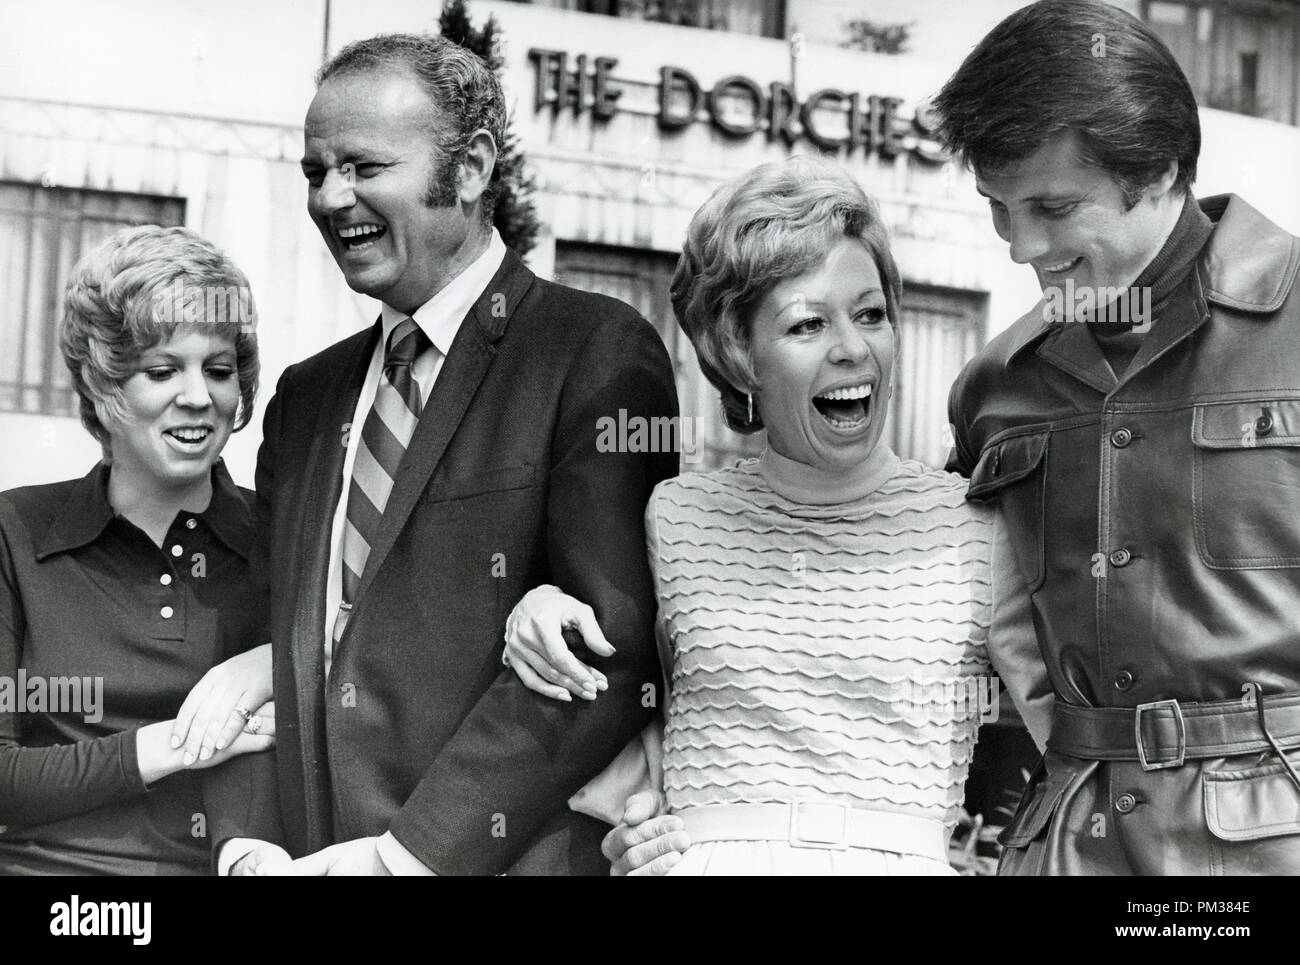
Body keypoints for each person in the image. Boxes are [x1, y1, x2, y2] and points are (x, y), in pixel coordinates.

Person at [503, 156, 1053, 875]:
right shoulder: (677, 515)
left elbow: (1075, 748)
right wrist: (534, 606)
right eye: (807, 325)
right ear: (738, 351)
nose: (853, 349)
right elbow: (628, 714)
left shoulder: (976, 527)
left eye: (871, 315)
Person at [244, 33, 678, 876]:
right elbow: (279, 643)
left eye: (365, 167)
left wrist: (404, 858)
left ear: (473, 168)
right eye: (313, 171)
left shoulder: (592, 353)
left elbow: (606, 654)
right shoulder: (305, 398)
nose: (333, 198)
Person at [930, 0, 1300, 874]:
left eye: (1053, 207)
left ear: (1161, 167)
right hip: (1065, 845)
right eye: (998, 207)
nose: (1022, 247)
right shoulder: (995, 387)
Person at [0, 225, 284, 875]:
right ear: (104, 388)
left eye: (218, 370)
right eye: (162, 370)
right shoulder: (14, 531)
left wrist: (273, 660)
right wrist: (178, 745)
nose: (198, 396)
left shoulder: (282, 538)